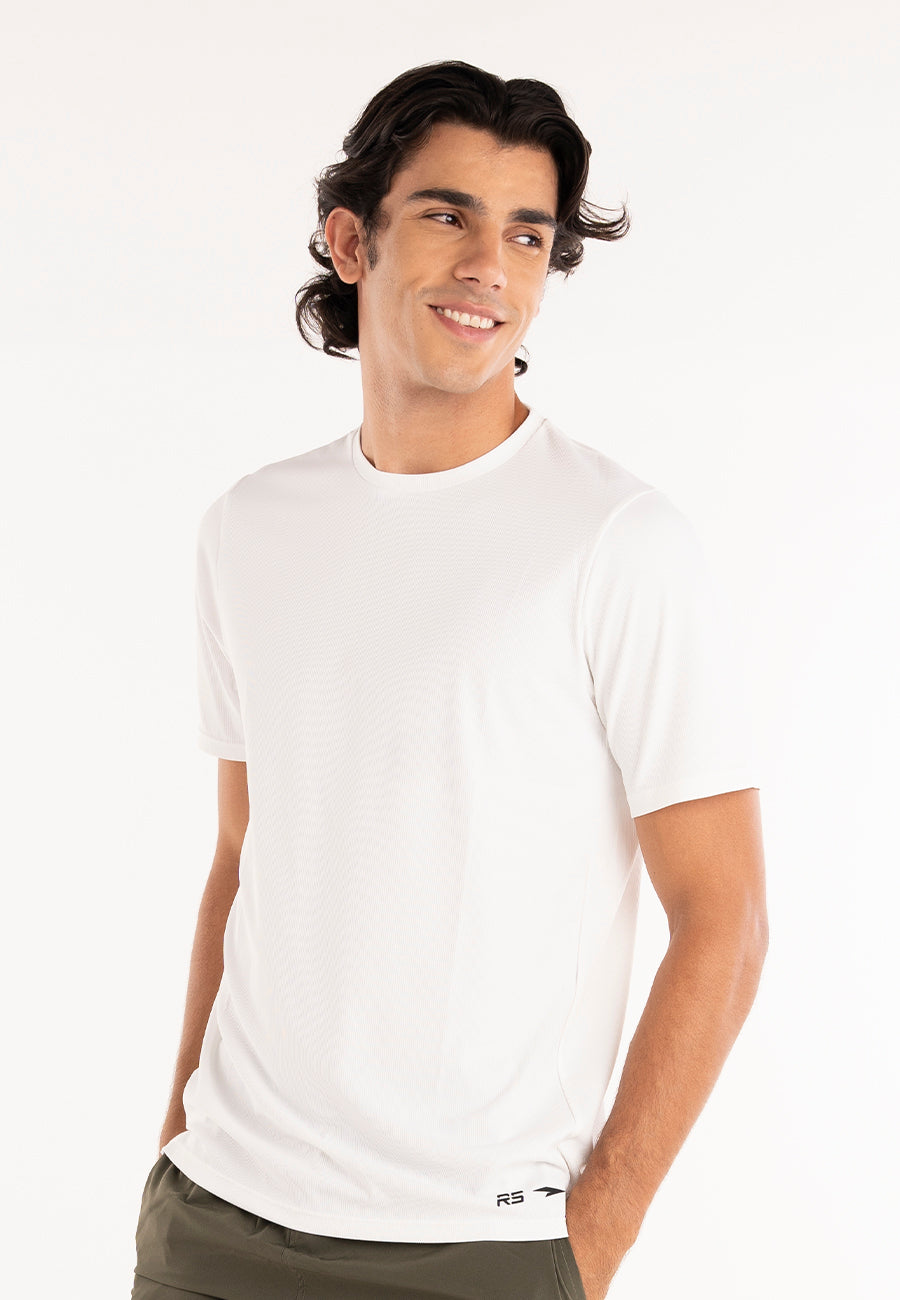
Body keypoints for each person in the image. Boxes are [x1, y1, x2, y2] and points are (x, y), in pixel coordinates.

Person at [130, 59, 768, 1300]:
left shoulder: (617, 540)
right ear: (350, 240)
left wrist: (593, 1238)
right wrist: (177, 1134)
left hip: (481, 1245)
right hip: (214, 1221)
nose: (490, 266)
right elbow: (243, 853)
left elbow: (726, 916)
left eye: (528, 235)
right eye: (447, 215)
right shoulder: (251, 526)